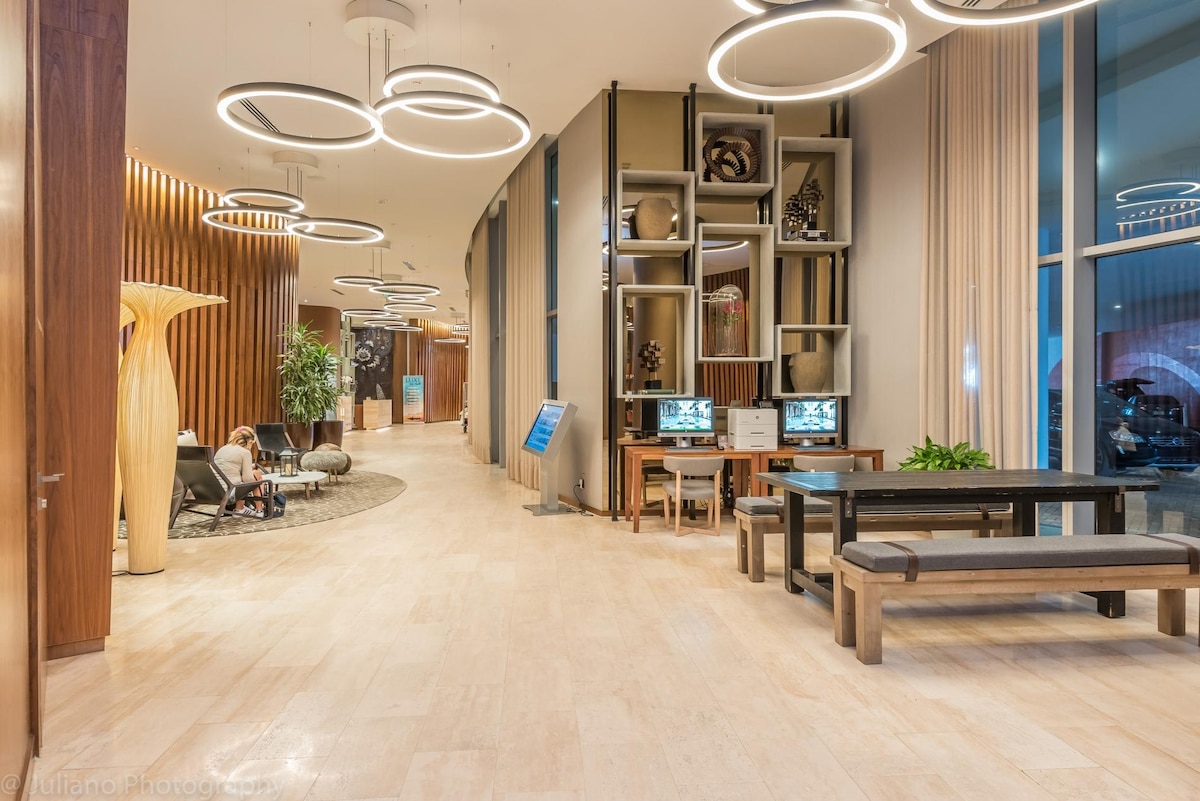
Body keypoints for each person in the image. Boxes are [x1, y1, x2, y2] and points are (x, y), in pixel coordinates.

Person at [214, 426, 265, 517]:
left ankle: (240, 508)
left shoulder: (222, 449)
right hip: (229, 493)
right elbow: (248, 480)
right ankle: (259, 510)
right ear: (249, 441)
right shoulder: (244, 452)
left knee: (241, 477)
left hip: (214, 492)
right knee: (256, 475)